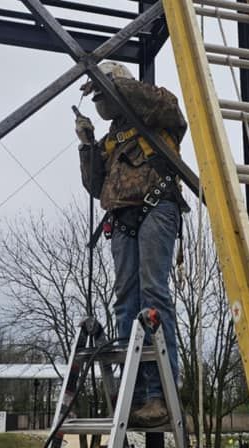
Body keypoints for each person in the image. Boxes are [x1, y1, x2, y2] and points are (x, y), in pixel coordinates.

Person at [75, 61, 188, 427]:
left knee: (153, 292)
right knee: (126, 300)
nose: (100, 101)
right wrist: (87, 145)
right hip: (122, 218)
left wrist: (113, 82)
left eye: (104, 93)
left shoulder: (157, 112)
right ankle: (134, 392)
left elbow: (170, 107)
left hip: (157, 205)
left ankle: (160, 392)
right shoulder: (111, 141)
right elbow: (96, 186)